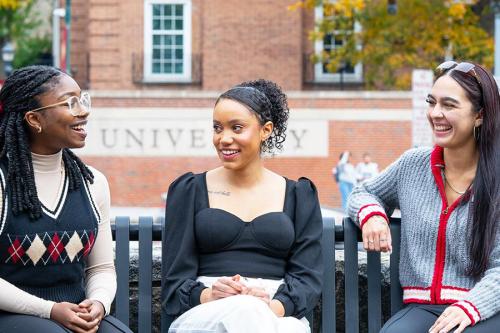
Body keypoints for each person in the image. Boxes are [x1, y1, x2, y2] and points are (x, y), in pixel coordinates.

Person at [348, 61, 500, 333]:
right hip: (422, 309)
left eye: (449, 105)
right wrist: (372, 215)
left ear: (480, 115)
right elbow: (364, 192)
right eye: (432, 103)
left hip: (484, 307)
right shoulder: (412, 165)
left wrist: (470, 306)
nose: (435, 114)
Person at [161, 79, 323, 333]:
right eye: (217, 128)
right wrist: (209, 295)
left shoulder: (299, 195)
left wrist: (273, 305)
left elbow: (307, 278)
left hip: (275, 312)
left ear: (266, 130)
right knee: (245, 311)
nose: (224, 138)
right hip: (205, 313)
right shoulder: (190, 190)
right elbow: (174, 281)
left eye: (237, 128)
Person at [0, 66, 131, 333]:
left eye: (83, 99)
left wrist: (98, 303)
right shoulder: (2, 183)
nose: (83, 111)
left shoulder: (93, 183)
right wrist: (49, 310)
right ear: (34, 119)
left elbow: (102, 268)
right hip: (9, 314)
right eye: (70, 102)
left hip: (73, 312)